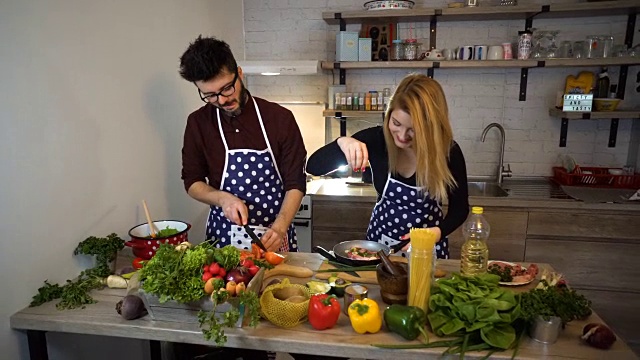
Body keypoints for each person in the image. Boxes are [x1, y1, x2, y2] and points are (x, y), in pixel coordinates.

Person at [307, 74, 469, 258]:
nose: (401, 135)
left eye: (413, 130)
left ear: (429, 128)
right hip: (378, 249)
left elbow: (460, 209)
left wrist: (437, 233)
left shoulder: (448, 152)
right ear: (389, 114)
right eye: (396, 123)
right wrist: (343, 142)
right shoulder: (377, 140)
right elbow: (313, 166)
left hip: (426, 250)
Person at [179, 35, 307, 253]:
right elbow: (193, 182)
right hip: (222, 238)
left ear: (239, 73)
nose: (221, 101)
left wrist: (280, 227)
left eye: (227, 89)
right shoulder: (198, 123)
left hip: (275, 232)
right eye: (209, 95)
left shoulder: (279, 118)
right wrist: (223, 198)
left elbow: (295, 183)